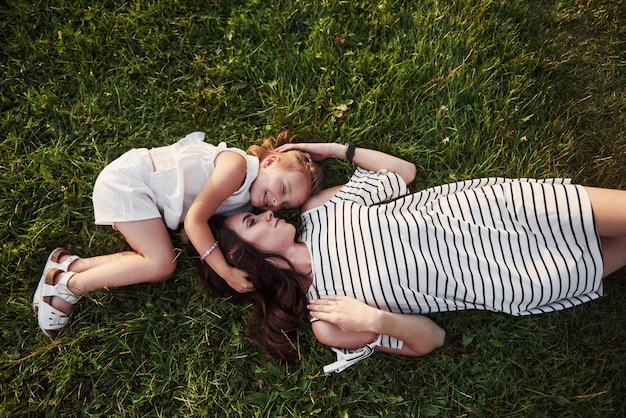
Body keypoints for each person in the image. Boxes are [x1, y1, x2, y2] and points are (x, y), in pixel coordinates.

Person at [192, 142, 626, 370]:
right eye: (253, 223)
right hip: (514, 277)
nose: (267, 213)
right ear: (253, 260)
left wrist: (330, 151)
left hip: (501, 208)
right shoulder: (326, 320)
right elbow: (430, 339)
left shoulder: (318, 210)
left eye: (257, 214)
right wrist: (378, 322)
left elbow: (401, 173)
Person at [33, 130, 322, 338]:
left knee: (151, 257)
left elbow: (192, 232)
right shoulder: (237, 168)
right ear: (270, 162)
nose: (275, 203)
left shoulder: (248, 199)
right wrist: (224, 271)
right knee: (161, 264)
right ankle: (68, 285)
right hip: (131, 184)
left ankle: (71, 265)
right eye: (282, 190)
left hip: (145, 198)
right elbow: (195, 221)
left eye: (285, 205)